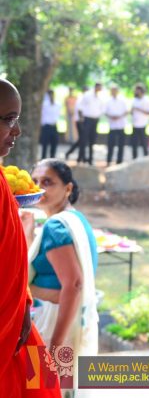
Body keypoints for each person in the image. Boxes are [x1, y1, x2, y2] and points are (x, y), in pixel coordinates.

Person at [0, 79, 61, 396]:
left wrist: (23, 302)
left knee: (43, 380)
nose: (17, 131)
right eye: (9, 119)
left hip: (15, 319)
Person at [23, 159, 99, 395]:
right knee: (62, 388)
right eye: (35, 181)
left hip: (53, 324)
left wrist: (55, 346)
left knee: (43, 388)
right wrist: (28, 233)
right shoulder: (75, 219)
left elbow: (73, 284)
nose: (39, 187)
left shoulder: (57, 227)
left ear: (68, 188)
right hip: (67, 319)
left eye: (48, 182)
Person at [76, 83, 104, 165]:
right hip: (87, 119)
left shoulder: (100, 97)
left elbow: (101, 109)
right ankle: (81, 158)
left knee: (92, 140)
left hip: (95, 120)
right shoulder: (87, 95)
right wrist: (81, 118)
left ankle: (90, 159)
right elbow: (80, 107)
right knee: (83, 139)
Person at [104, 85, 128, 166]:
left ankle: (119, 161)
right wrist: (112, 117)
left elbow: (126, 111)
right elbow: (105, 112)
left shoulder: (122, 101)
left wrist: (119, 116)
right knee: (110, 144)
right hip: (112, 126)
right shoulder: (108, 101)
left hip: (121, 125)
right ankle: (109, 160)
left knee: (121, 144)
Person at [130, 84, 149, 160]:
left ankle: (146, 156)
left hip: (143, 124)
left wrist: (140, 109)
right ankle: (134, 157)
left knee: (144, 141)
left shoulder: (147, 100)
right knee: (134, 142)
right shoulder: (134, 100)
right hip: (135, 123)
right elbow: (131, 111)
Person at [40, 89, 60, 159]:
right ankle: (43, 159)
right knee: (45, 144)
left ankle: (52, 159)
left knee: (54, 143)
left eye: (52, 94)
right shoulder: (44, 104)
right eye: (50, 95)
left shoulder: (57, 104)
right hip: (46, 126)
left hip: (54, 126)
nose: (51, 96)